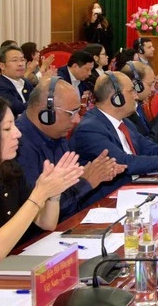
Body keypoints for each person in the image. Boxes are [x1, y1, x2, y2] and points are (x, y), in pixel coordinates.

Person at [0, 93, 83, 270]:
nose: (18, 134)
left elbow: (46, 223)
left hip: (10, 269)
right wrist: (39, 194)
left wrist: (53, 194)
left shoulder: (9, 170)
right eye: (7, 128)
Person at [16, 78, 126, 219]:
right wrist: (86, 181)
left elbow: (69, 191)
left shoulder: (56, 133)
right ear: (46, 113)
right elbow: (40, 214)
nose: (76, 120)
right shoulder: (19, 145)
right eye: (71, 113)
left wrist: (96, 172)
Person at [69, 73, 158, 176]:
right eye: (131, 91)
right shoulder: (90, 128)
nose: (135, 96)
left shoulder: (125, 122)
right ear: (116, 98)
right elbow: (124, 162)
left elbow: (150, 149)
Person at [0, 44, 35, 117]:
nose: (20, 64)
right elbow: (18, 108)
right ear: (2, 66)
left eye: (22, 60)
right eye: (14, 60)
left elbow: (35, 99)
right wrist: (39, 101)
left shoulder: (25, 82)